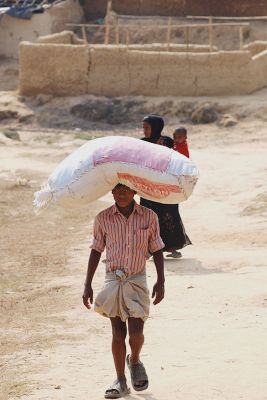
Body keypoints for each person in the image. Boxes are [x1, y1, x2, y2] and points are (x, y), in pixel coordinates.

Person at [83, 183, 165, 399]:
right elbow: (96, 250)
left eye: (126, 190)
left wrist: (161, 280)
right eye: (117, 190)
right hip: (113, 280)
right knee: (118, 332)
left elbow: (156, 248)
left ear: (135, 191)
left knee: (136, 332)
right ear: (111, 192)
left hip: (137, 279)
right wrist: (87, 284)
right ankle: (120, 380)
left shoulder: (149, 216)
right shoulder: (103, 218)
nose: (121, 194)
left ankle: (135, 360)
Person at [140, 114, 191, 258]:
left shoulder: (167, 141)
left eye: (147, 128)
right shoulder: (141, 143)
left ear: (156, 127)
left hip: (165, 186)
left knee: (169, 214)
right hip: (147, 186)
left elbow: (178, 159)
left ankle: (172, 247)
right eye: (143, 127)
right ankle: (151, 249)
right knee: (149, 217)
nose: (144, 131)